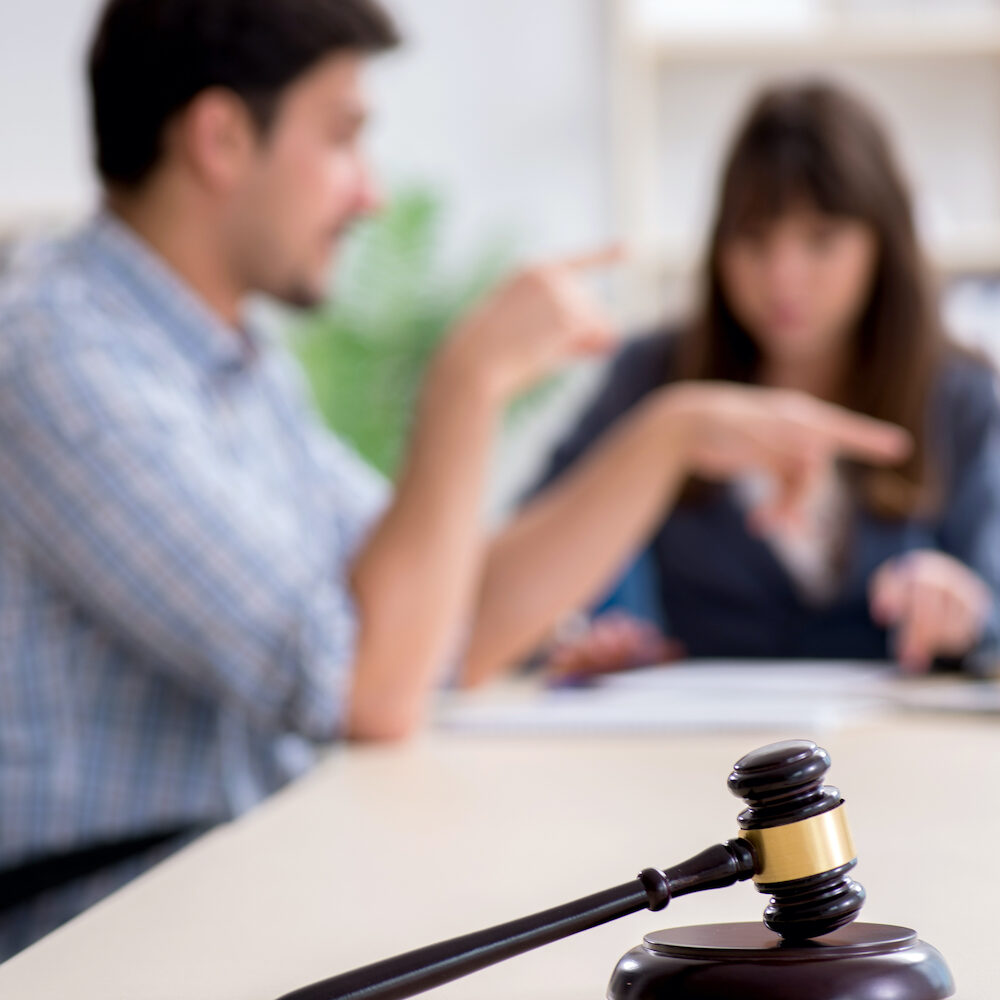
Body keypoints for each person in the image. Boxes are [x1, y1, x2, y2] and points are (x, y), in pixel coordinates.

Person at [0, 2, 910, 957]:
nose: (371, 194)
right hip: (100, 925)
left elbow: (450, 620)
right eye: (346, 136)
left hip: (231, 873)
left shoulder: (232, 363)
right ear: (222, 138)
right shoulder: (57, 354)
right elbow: (367, 685)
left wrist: (669, 437)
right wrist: (466, 384)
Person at [525, 81, 1000, 680]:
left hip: (900, 747)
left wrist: (966, 612)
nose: (782, 278)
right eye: (752, 238)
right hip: (695, 750)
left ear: (883, 243)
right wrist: (579, 636)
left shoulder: (958, 393)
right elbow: (519, 570)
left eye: (820, 241)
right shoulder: (656, 378)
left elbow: (993, 606)